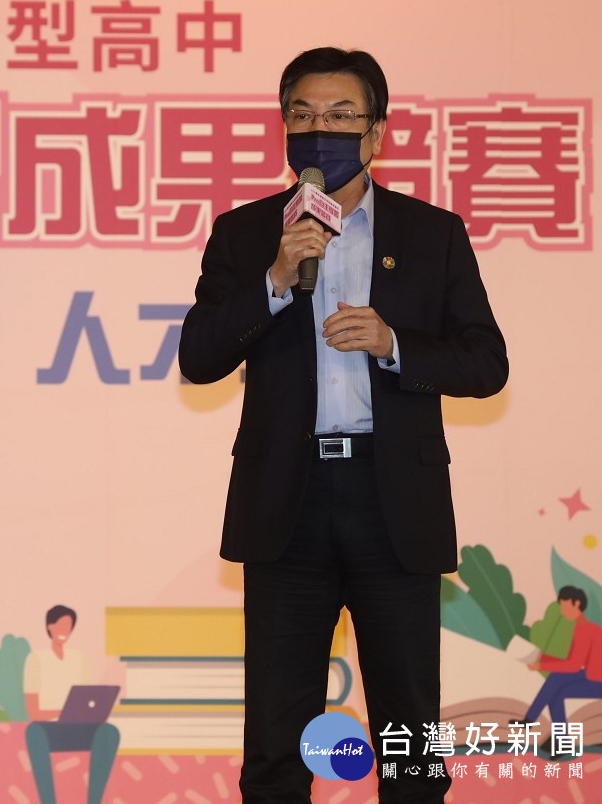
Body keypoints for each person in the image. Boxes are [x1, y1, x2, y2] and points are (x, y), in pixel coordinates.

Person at [178, 47, 508, 803]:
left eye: (339, 115)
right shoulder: (245, 233)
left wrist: (394, 344)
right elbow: (198, 357)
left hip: (392, 502)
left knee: (410, 741)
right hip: (286, 506)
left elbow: (486, 363)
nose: (318, 130)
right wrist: (273, 280)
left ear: (376, 133)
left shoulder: (432, 234)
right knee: (275, 741)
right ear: (283, 128)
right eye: (301, 115)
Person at [24, 605, 119, 804]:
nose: (64, 631)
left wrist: (85, 713)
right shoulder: (36, 659)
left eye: (68, 627)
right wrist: (63, 711)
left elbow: (89, 697)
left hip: (78, 726)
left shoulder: (79, 658)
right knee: (34, 732)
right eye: (60, 625)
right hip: (49, 728)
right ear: (49, 626)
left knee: (109, 731)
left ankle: (94, 801)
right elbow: (34, 712)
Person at [521, 586, 602, 740]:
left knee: (557, 688)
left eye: (565, 607)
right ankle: (545, 729)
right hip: (592, 675)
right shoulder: (582, 628)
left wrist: (540, 665)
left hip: (598, 680)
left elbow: (573, 666)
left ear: (577, 604)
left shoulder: (585, 630)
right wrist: (541, 657)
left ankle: (534, 722)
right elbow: (570, 662)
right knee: (556, 681)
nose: (563, 612)